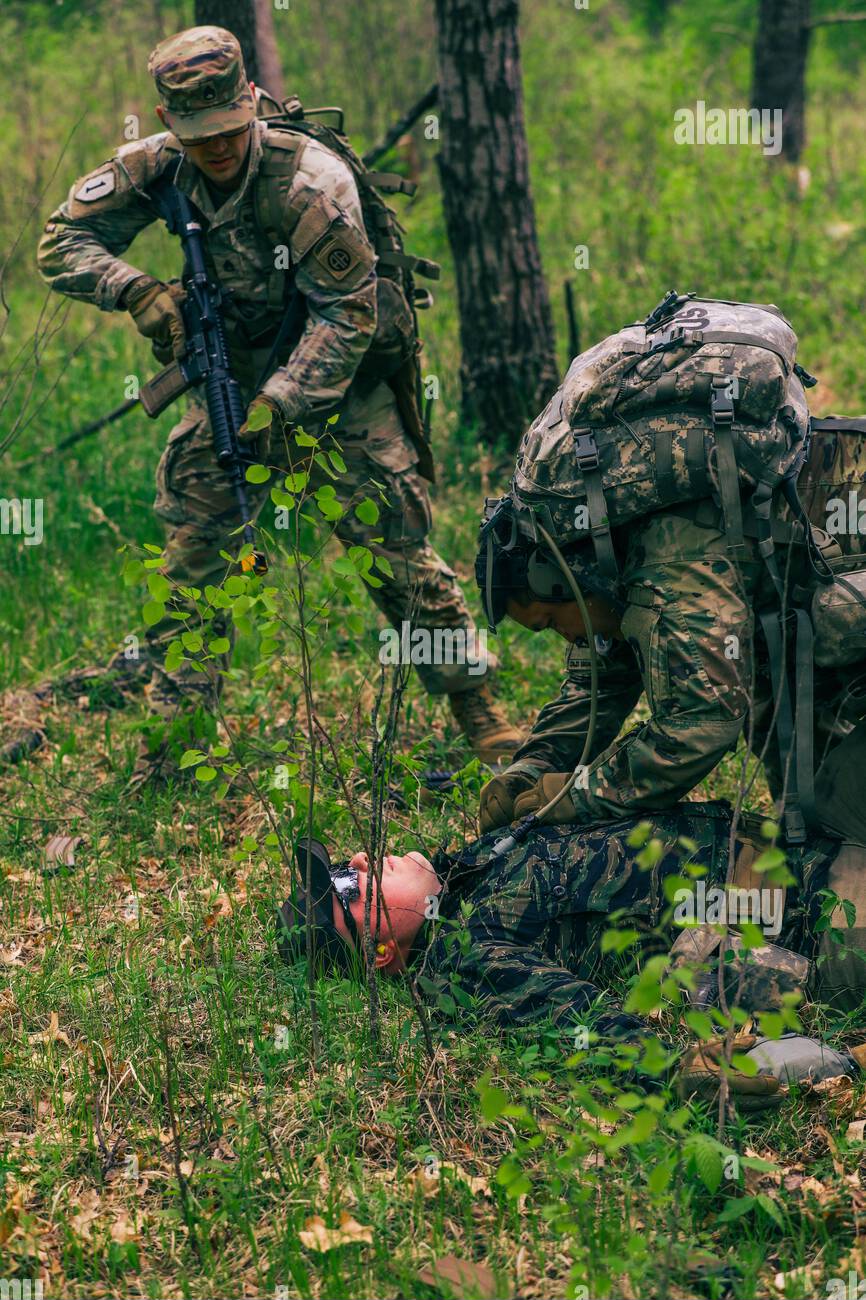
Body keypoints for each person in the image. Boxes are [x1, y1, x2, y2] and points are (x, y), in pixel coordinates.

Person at [37, 24, 523, 780]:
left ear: (253, 101)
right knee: (195, 557)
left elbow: (350, 314)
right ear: (169, 124)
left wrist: (284, 404)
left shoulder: (309, 182)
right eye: (200, 136)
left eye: (231, 128)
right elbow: (61, 239)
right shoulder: (158, 169)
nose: (220, 147)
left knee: (396, 555)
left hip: (336, 390)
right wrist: (133, 290)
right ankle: (182, 733)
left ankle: (478, 709)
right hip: (229, 385)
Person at [473, 300, 866, 847]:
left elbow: (700, 725)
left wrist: (574, 796)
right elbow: (598, 682)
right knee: (809, 834)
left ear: (560, 580)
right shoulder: (614, 556)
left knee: (841, 827)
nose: (565, 638)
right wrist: (534, 767)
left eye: (549, 622)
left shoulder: (673, 556)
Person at [276, 800, 866, 1105]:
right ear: (381, 953)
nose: (356, 862)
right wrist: (671, 1064)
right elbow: (570, 1018)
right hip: (822, 909)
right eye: (347, 890)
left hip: (800, 839)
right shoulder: (465, 954)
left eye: (340, 866)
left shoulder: (465, 872)